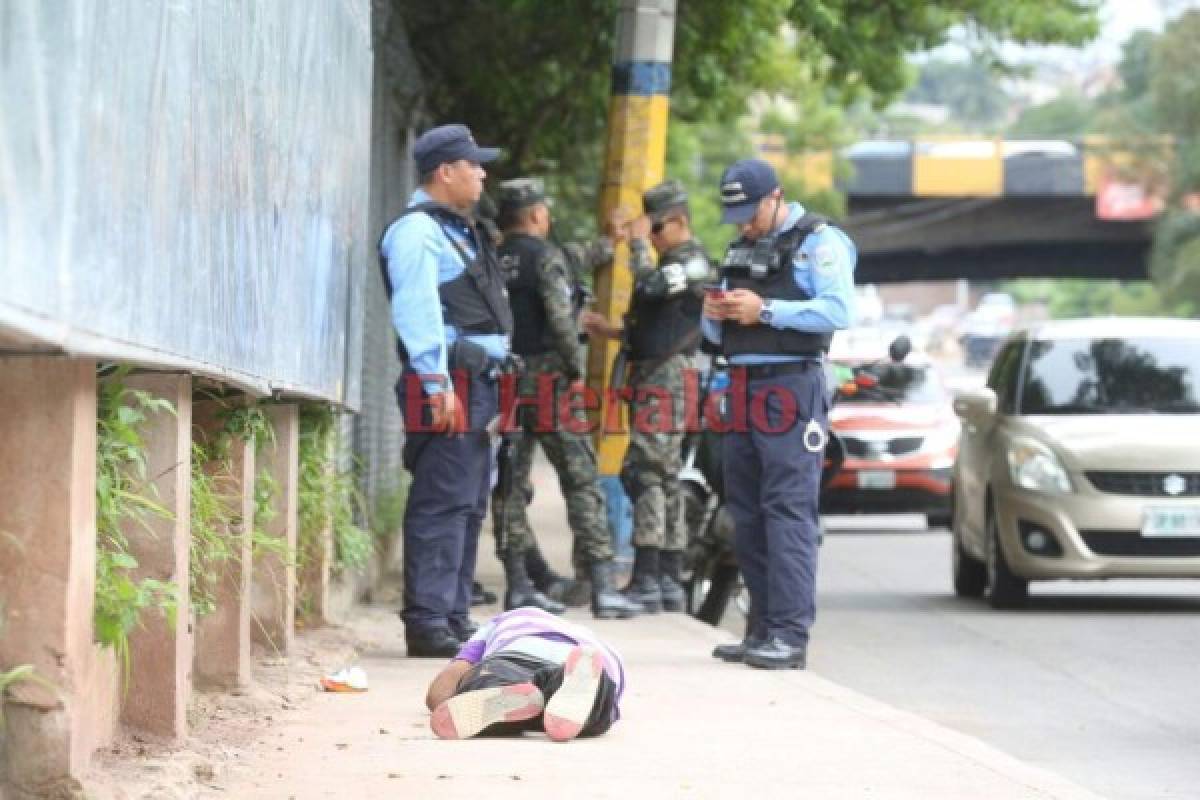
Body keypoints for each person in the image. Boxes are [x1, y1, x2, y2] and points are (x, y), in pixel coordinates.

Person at [701, 158, 856, 669]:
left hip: (792, 384)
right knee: (746, 511)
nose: (744, 225)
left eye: (750, 212)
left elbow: (837, 310)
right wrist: (715, 317)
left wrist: (764, 310)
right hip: (741, 385)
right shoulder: (742, 246)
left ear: (776, 197)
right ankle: (761, 629)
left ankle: (789, 636)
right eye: (737, 215)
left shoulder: (819, 242)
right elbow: (718, 335)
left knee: (787, 510)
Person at [378, 123, 511, 658]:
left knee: (468, 502)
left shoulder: (453, 228)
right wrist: (436, 383)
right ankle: (429, 621)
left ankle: (451, 614)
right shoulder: (416, 232)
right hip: (447, 382)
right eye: (473, 163)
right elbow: (418, 311)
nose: (481, 172)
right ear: (445, 171)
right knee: (442, 499)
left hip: (475, 381)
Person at [493, 178, 642, 620]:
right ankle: (602, 585)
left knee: (509, 483)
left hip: (503, 380)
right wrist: (575, 370)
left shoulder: (493, 258)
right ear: (538, 215)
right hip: (549, 380)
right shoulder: (546, 258)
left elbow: (568, 261)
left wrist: (607, 242)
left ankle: (518, 584)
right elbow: (560, 319)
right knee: (580, 477)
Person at [582, 180, 713, 613]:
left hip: (667, 380)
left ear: (676, 222)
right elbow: (660, 323)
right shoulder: (674, 260)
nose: (651, 238)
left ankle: (651, 577)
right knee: (657, 474)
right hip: (654, 375)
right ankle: (664, 580)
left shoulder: (693, 263)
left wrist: (636, 246)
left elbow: (654, 287)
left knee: (648, 473)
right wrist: (614, 332)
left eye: (655, 230)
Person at [424, 608, 624, 742]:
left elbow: (449, 679)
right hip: (581, 659)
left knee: (489, 681)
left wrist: (448, 698)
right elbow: (618, 690)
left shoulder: (504, 621)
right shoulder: (596, 643)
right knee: (596, 703)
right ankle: (571, 696)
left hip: (518, 653)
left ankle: (511, 705)